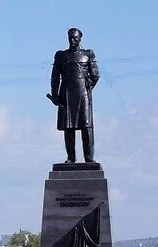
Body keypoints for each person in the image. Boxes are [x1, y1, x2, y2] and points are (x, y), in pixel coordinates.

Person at [49, 28, 99, 163]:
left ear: (80, 39)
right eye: (70, 37)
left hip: (83, 93)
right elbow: (55, 77)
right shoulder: (61, 56)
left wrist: (90, 85)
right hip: (66, 93)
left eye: (75, 38)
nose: (72, 40)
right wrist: (55, 95)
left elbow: (95, 74)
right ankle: (71, 157)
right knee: (68, 127)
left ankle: (89, 158)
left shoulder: (88, 55)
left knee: (86, 126)